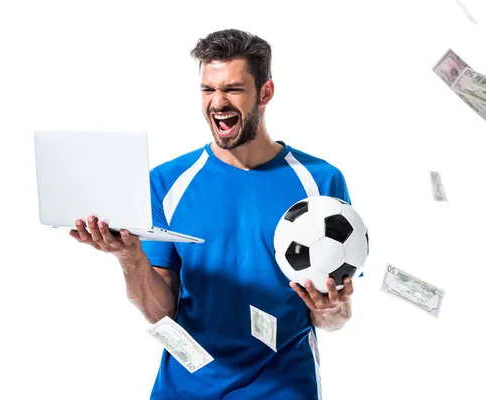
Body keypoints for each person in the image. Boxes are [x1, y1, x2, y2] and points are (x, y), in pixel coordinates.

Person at [70, 28, 356, 400]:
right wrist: (130, 257)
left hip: (283, 389)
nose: (217, 103)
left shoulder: (320, 182)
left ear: (265, 93)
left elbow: (335, 317)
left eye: (233, 89)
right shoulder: (166, 182)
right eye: (208, 90)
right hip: (186, 389)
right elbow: (161, 313)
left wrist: (333, 307)